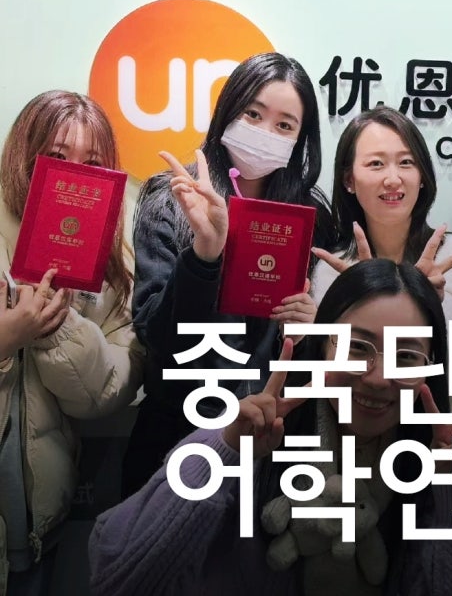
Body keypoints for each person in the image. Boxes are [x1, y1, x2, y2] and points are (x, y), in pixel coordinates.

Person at [89, 258, 452, 596]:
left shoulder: (435, 466)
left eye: (407, 356)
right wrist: (223, 451)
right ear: (322, 344)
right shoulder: (256, 435)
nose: (378, 377)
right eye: (356, 347)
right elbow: (119, 577)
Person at [122, 52, 335, 497]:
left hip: (272, 444)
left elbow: (317, 364)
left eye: (284, 125)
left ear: (301, 139)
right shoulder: (172, 199)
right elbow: (155, 336)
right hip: (177, 437)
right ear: (227, 112)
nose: (265, 132)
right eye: (253, 114)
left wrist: (312, 328)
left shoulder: (311, 216)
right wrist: (204, 254)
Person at [0, 90, 143, 595]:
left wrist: (57, 327)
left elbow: (106, 392)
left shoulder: (113, 255)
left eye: (93, 165)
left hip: (39, 519)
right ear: (25, 152)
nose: (73, 176)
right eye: (56, 157)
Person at [311, 107, 452, 406]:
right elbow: (333, 358)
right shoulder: (334, 267)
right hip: (356, 420)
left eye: (406, 162)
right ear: (349, 180)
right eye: (376, 164)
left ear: (422, 177)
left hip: (439, 424)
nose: (393, 179)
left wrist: (424, 298)